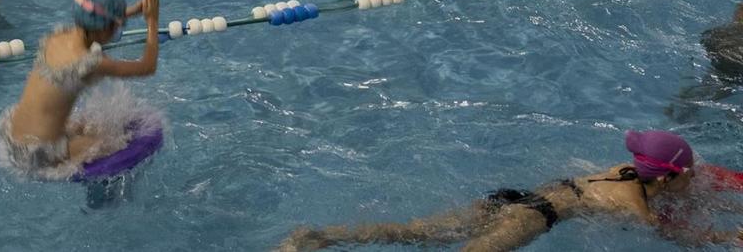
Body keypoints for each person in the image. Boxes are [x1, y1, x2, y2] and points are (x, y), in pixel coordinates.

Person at [276, 130, 743, 251]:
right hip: (527, 220)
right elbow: (676, 237)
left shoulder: (622, 171)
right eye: (688, 174)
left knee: (418, 233)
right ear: (666, 178)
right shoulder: (635, 208)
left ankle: (320, 238)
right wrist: (728, 240)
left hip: (513, 198)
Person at [0, 0, 161, 178]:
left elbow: (97, 16)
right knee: (112, 143)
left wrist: (134, 10)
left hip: (12, 133)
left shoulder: (57, 36)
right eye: (116, 29)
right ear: (104, 29)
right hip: (39, 154)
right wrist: (152, 21)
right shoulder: (90, 63)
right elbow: (147, 67)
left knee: (84, 125)